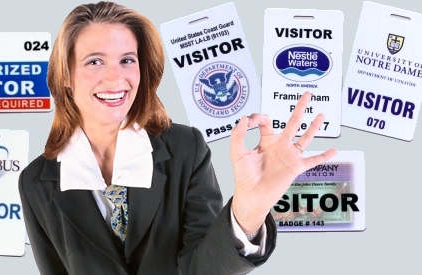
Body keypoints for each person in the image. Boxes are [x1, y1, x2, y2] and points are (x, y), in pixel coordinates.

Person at [18, 1, 336, 274]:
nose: (115, 77)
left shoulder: (186, 149)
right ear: (65, 76)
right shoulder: (36, 182)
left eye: (127, 60)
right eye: (94, 61)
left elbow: (201, 268)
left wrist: (250, 209)